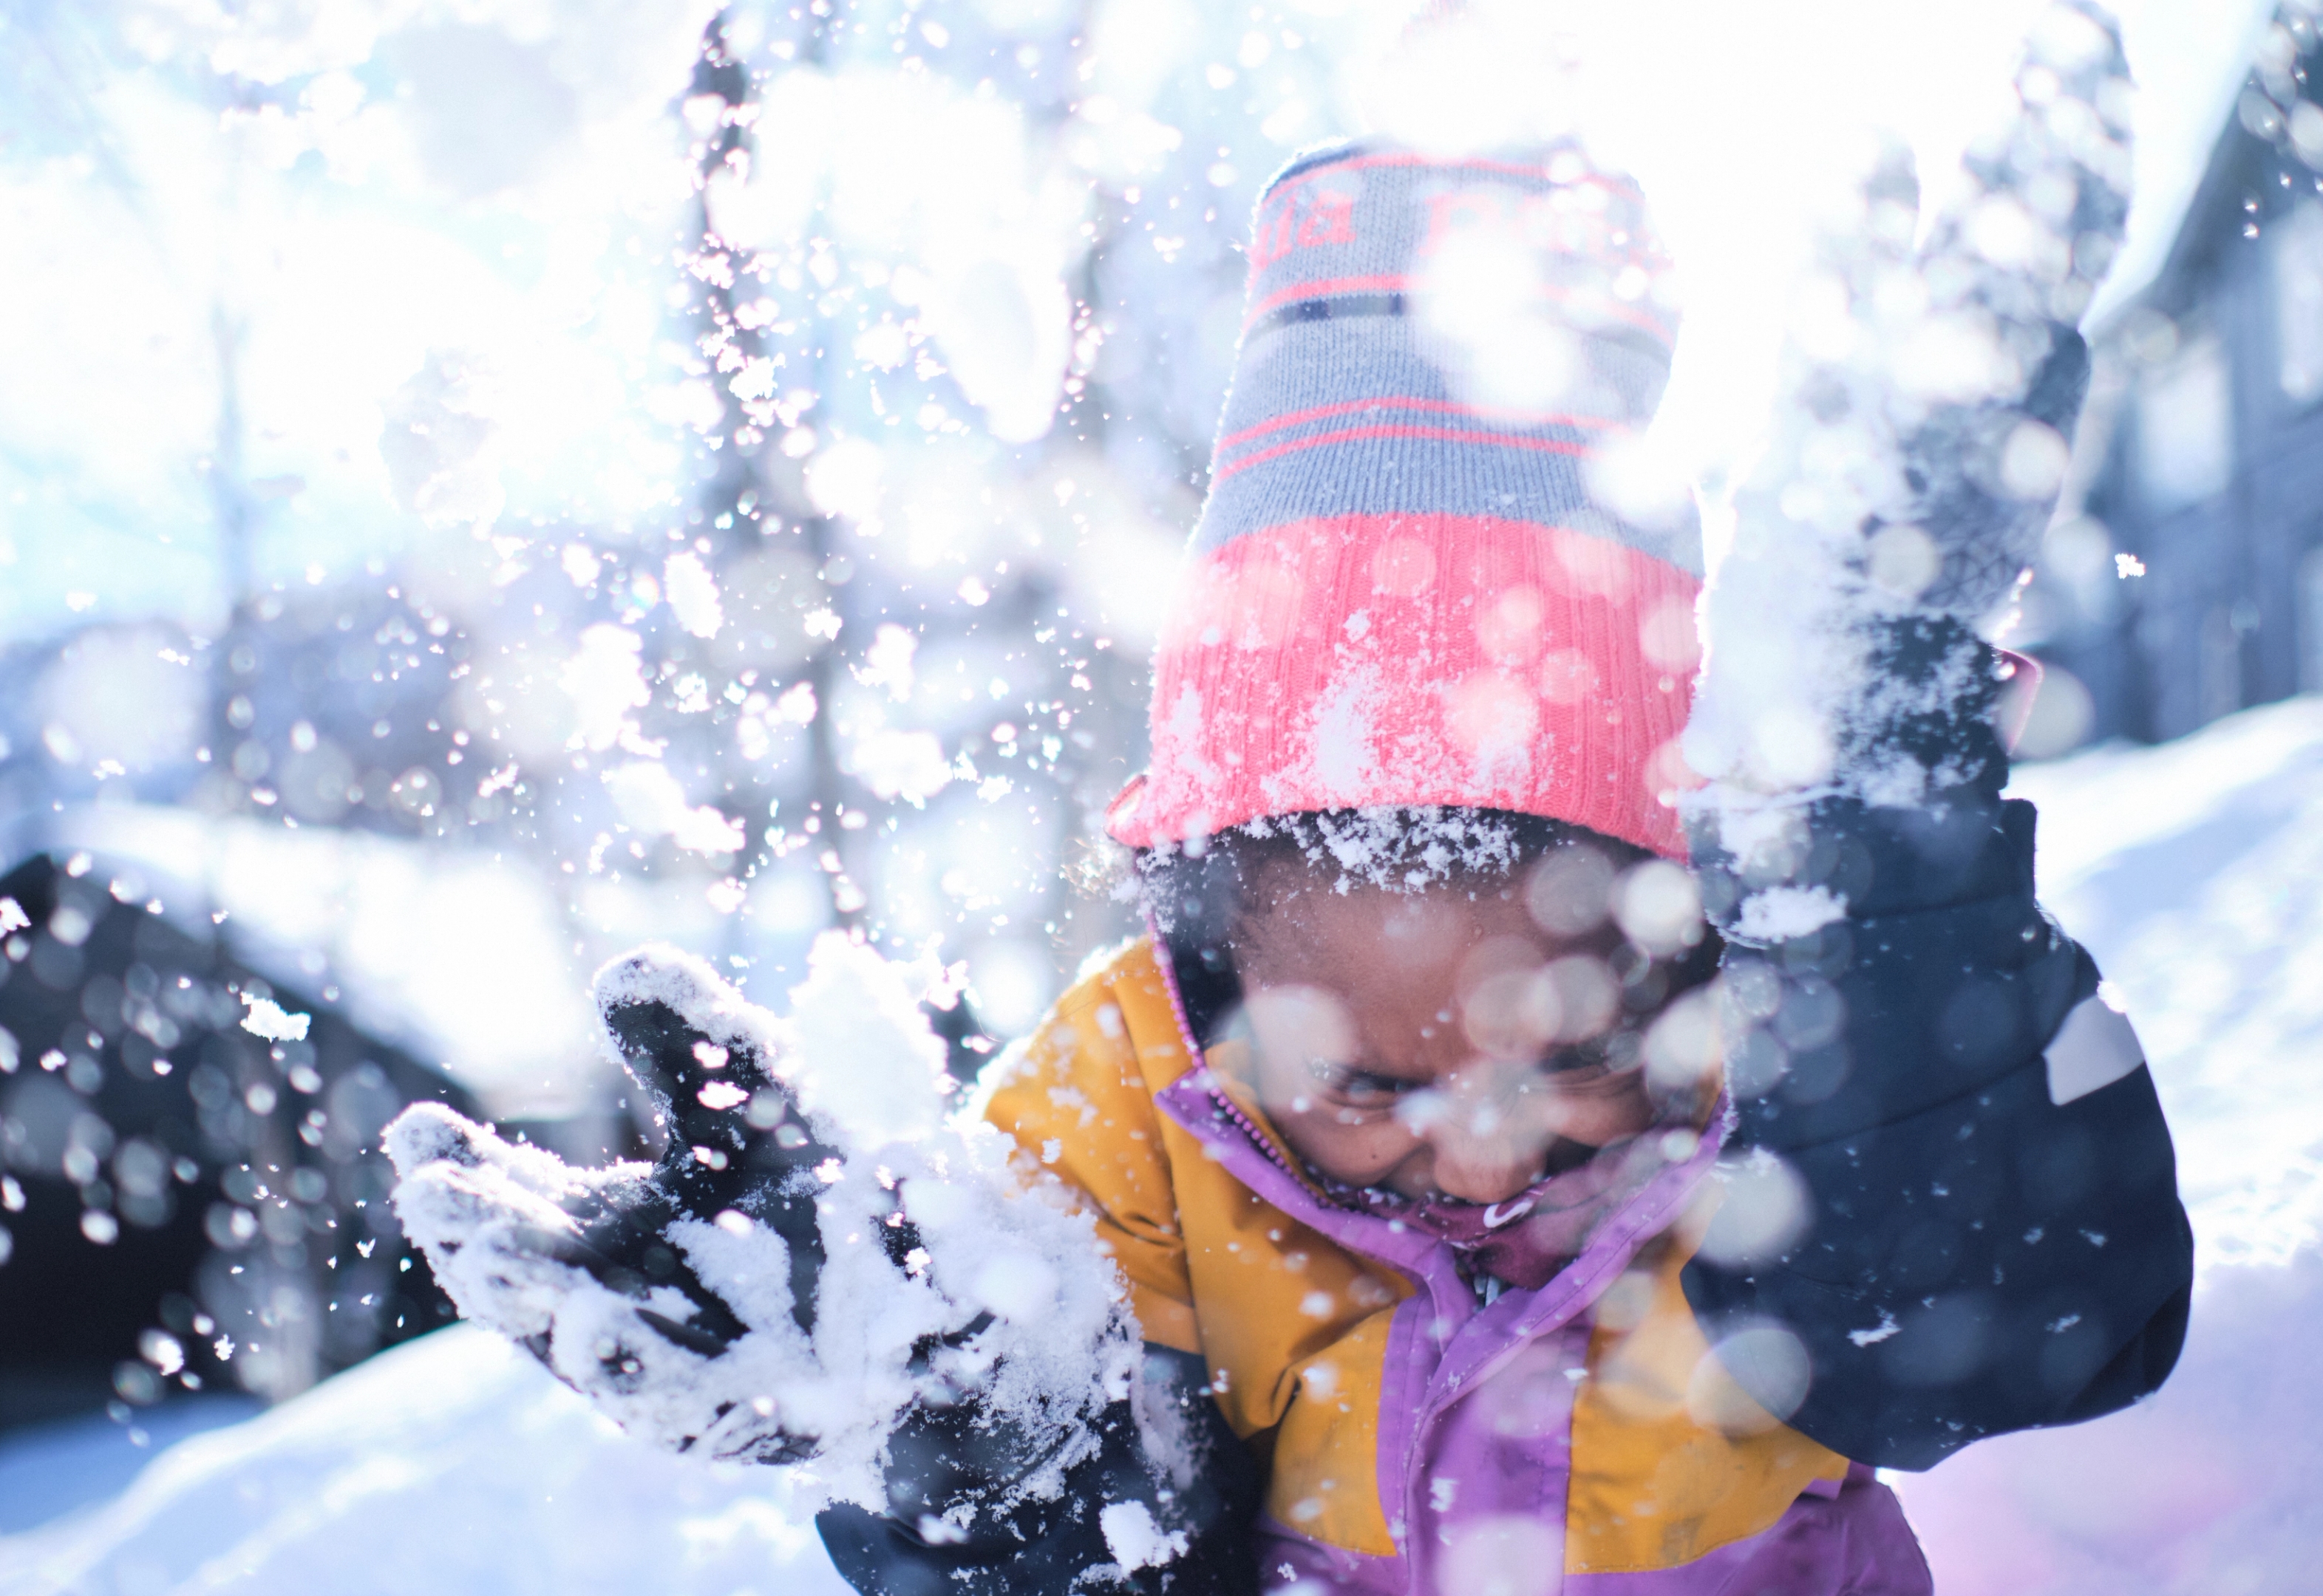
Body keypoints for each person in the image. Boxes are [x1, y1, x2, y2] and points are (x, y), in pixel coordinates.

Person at [386, 7, 2191, 1592]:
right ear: (1214, 969)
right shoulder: (1123, 1119)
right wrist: (961, 1428)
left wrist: (1866, 850)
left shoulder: (1793, 1032)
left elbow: (2021, 1338)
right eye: (1371, 1082)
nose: (1479, 1152)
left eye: (1560, 1045)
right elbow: (1113, 1574)